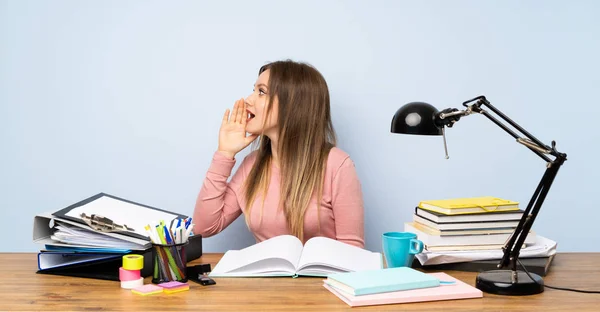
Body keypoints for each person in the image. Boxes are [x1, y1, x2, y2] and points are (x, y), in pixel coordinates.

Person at [192, 60, 365, 248]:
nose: (248, 100)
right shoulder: (252, 164)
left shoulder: (337, 165)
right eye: (254, 90)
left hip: (323, 277)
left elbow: (352, 250)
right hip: (266, 277)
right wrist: (224, 154)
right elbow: (204, 227)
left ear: (293, 104)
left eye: (261, 92)